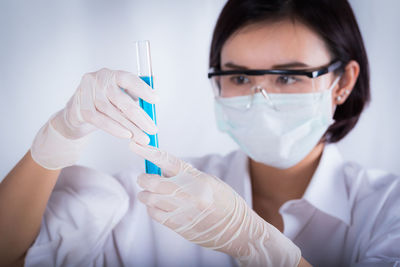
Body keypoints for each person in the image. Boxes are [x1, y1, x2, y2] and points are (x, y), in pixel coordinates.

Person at [1, 0, 399, 266]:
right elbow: (10, 253)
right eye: (240, 76)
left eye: (288, 76)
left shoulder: (386, 210)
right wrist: (56, 138)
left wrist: (255, 245)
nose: (260, 98)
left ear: (343, 81)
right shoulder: (157, 194)